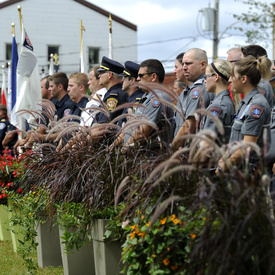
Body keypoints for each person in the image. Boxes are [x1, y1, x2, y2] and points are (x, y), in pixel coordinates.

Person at [216, 55, 271, 174]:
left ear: (243, 79)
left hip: (250, 177)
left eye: (232, 76)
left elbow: (247, 147)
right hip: (238, 173)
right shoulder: (246, 103)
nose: (229, 80)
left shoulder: (256, 106)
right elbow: (235, 140)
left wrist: (223, 167)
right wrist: (223, 160)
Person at [63, 56, 128, 149]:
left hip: (106, 147)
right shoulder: (111, 93)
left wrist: (81, 146)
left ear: (110, 75)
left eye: (102, 73)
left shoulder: (114, 95)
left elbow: (102, 126)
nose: (99, 75)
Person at [110, 59, 174, 151]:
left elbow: (141, 133)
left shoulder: (157, 99)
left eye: (141, 76)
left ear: (153, 77)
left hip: (151, 159)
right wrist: (111, 148)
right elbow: (129, 130)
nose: (138, 78)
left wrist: (123, 152)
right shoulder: (146, 97)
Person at [172, 48, 214, 150]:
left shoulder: (199, 90)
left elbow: (188, 127)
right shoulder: (189, 90)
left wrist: (172, 148)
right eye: (183, 64)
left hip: (192, 153)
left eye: (188, 64)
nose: (184, 68)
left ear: (202, 65)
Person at [198, 59, 235, 163]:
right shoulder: (227, 101)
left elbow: (207, 145)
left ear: (216, 77)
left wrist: (194, 168)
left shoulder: (217, 106)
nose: (205, 81)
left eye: (206, 77)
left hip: (212, 166)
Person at [117, 61, 144, 127]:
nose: (122, 80)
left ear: (132, 80)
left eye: (125, 77)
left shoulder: (137, 100)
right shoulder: (130, 99)